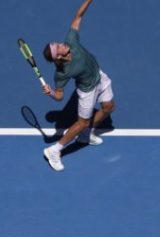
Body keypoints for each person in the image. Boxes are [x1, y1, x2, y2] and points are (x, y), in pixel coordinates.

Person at [41, 0, 115, 171]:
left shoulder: (71, 40)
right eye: (58, 47)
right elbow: (59, 97)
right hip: (87, 91)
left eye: (57, 43)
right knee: (82, 122)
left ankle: (85, 136)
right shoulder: (62, 74)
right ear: (58, 57)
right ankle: (54, 150)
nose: (61, 44)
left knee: (109, 107)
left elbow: (78, 16)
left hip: (99, 77)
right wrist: (51, 92)